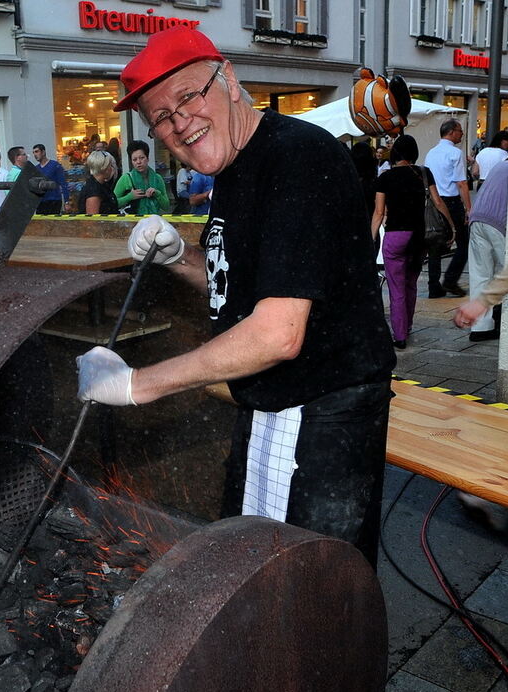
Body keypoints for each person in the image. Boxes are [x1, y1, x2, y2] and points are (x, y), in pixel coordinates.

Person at [75, 26, 395, 569]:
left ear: (229, 80)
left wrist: (138, 385)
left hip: (326, 411)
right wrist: (180, 257)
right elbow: (238, 287)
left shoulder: (295, 157)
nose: (178, 123)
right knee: (251, 572)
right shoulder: (233, 167)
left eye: (187, 97)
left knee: (313, 588)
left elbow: (277, 332)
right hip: (271, 401)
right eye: (160, 116)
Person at [370, 135, 455, 349]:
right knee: (410, 284)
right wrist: (451, 226)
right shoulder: (424, 173)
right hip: (420, 236)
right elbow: (437, 201)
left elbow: (379, 213)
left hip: (395, 237)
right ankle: (407, 326)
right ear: (414, 153)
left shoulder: (385, 178)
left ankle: (399, 335)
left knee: (396, 287)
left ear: (396, 153)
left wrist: (369, 238)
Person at [453, 159, 508, 341]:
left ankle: (480, 328)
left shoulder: (500, 165)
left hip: (478, 218)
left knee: (480, 274)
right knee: (504, 271)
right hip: (499, 222)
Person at [424, 118, 471, 298]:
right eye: (460, 130)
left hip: (435, 201)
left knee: (435, 244)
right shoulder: (455, 153)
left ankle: (433, 285)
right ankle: (450, 280)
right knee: (464, 243)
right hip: (451, 201)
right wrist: (468, 208)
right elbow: (461, 182)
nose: (462, 134)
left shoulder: (431, 153)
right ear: (451, 132)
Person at [113, 140, 169, 215]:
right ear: (131, 162)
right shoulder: (126, 178)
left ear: (148, 158)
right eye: (134, 160)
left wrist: (156, 193)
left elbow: (166, 206)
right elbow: (112, 203)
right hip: (133, 223)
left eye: (142, 158)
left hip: (153, 221)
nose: (138, 162)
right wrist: (129, 197)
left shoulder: (157, 178)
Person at [77, 151, 119, 215]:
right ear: (105, 168)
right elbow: (92, 220)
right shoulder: (94, 190)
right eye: (110, 165)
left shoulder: (99, 185)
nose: (112, 169)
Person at [31, 143, 69, 214]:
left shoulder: (55, 165)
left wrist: (66, 201)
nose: (35, 155)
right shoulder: (36, 169)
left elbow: (63, 183)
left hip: (54, 200)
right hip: (41, 201)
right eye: (33, 153)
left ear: (43, 152)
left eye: (37, 152)